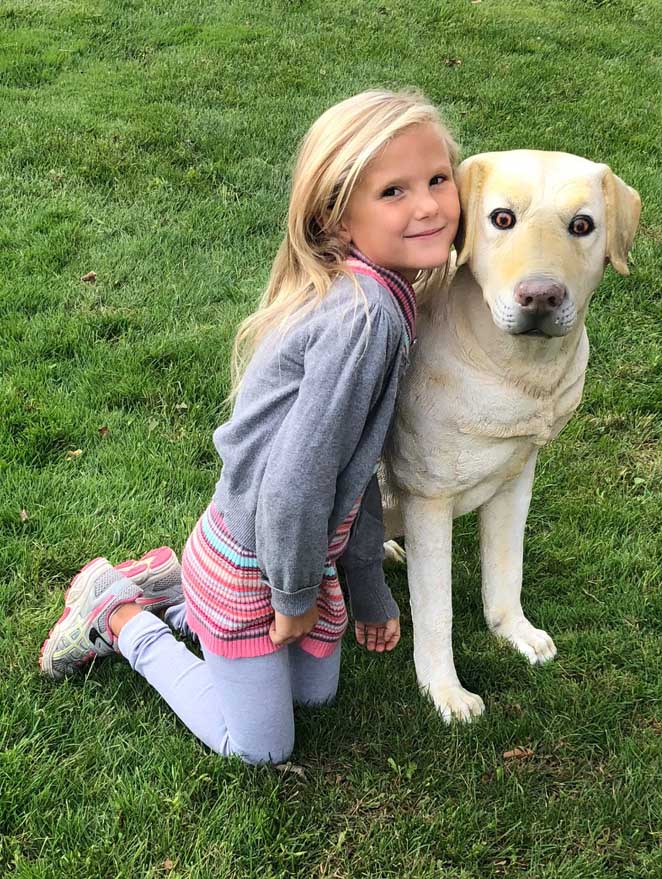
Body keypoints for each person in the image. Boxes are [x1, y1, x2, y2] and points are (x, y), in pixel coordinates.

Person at [39, 88, 462, 765]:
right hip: (254, 561)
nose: (429, 205)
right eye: (394, 192)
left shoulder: (383, 292)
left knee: (316, 696)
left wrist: (368, 589)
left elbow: (354, 474)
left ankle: (176, 589)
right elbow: (297, 484)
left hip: (294, 548)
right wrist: (293, 597)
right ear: (337, 219)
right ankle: (117, 615)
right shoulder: (365, 319)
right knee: (260, 746)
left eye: (438, 179)